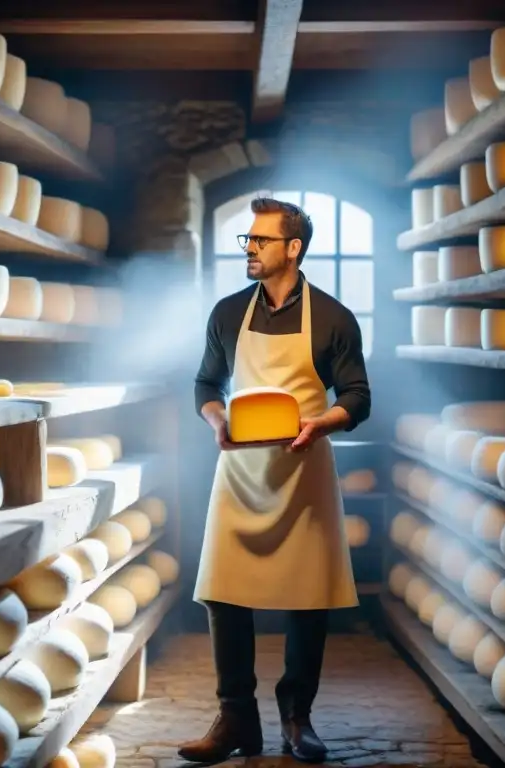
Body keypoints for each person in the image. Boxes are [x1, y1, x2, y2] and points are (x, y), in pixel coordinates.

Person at [180, 197, 372, 763]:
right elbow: (205, 385)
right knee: (222, 595)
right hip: (240, 472)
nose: (250, 249)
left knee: (307, 600)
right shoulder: (227, 313)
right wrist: (217, 420)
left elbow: (358, 397)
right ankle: (236, 717)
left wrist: (320, 425)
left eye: (261, 241)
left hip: (303, 472)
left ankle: (297, 718)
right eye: (248, 240)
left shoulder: (334, 317)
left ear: (293, 248)